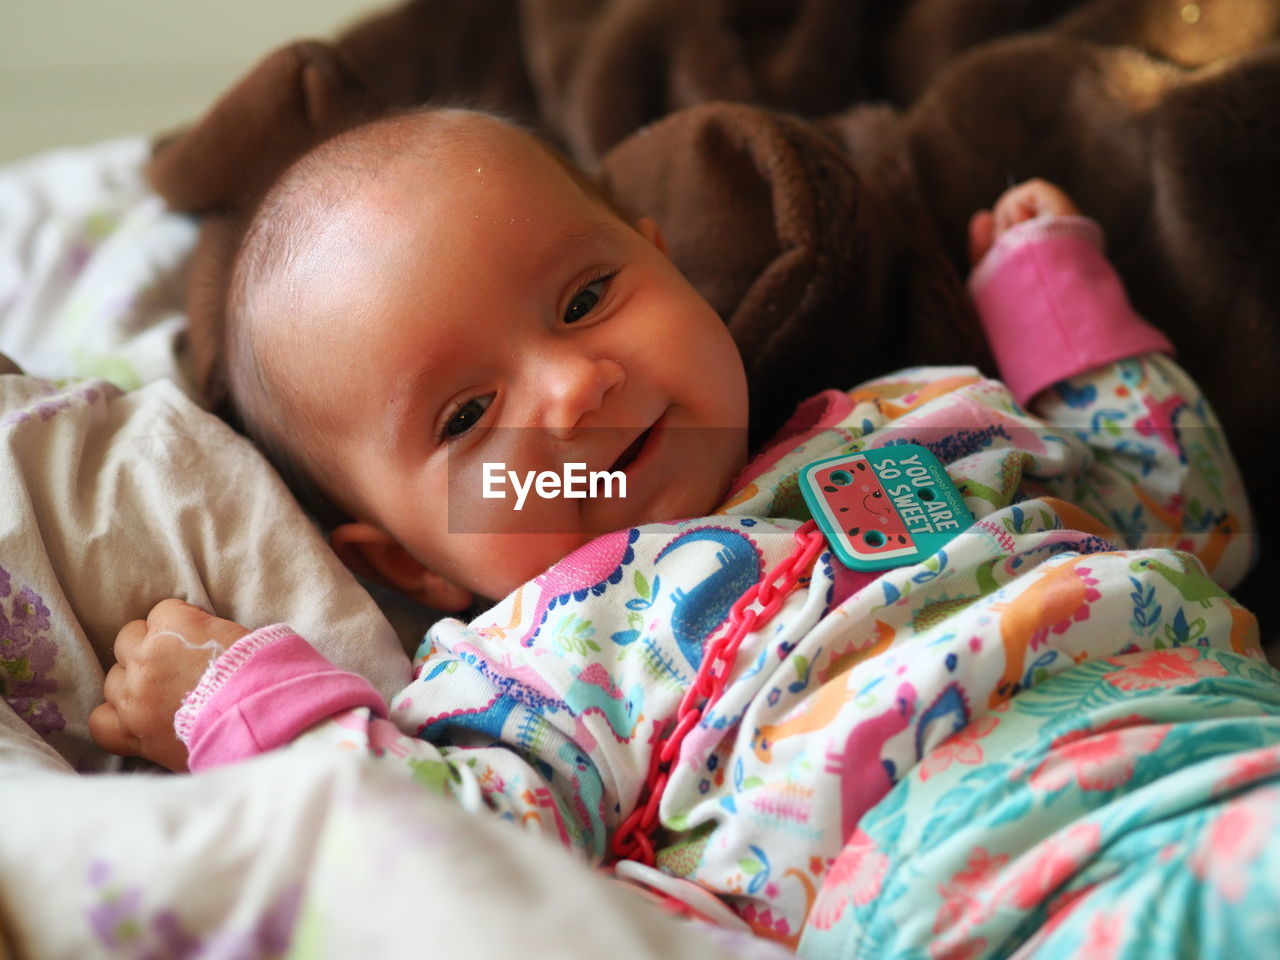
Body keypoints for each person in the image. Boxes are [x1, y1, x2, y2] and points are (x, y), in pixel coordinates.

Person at [90, 108, 1279, 957]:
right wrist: (241, 702)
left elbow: (1183, 521)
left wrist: (1047, 301)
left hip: (1216, 736)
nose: (570, 388)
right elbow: (445, 848)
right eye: (466, 415)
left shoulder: (920, 414)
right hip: (980, 887)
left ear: (666, 265)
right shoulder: (538, 662)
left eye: (585, 298)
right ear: (407, 561)